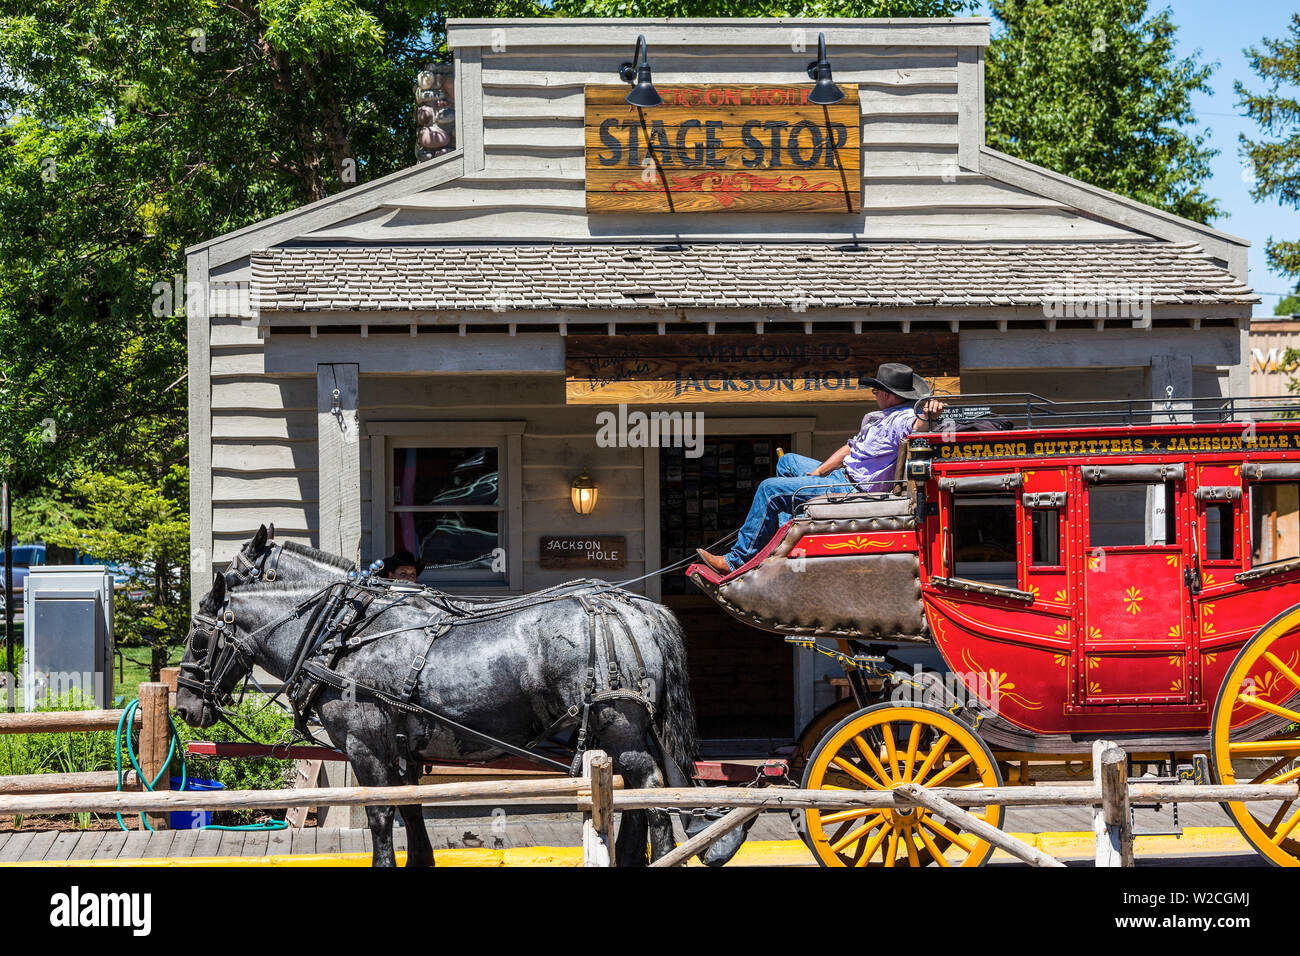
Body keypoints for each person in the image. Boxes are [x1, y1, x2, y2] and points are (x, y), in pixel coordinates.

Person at [695, 363, 944, 575]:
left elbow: (916, 429)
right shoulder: (882, 417)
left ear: (886, 394)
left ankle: (736, 560)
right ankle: (785, 533)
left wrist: (927, 415)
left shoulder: (901, 418)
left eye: (875, 390)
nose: (874, 395)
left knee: (769, 490)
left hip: (852, 488)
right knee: (788, 461)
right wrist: (818, 473)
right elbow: (850, 449)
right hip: (842, 476)